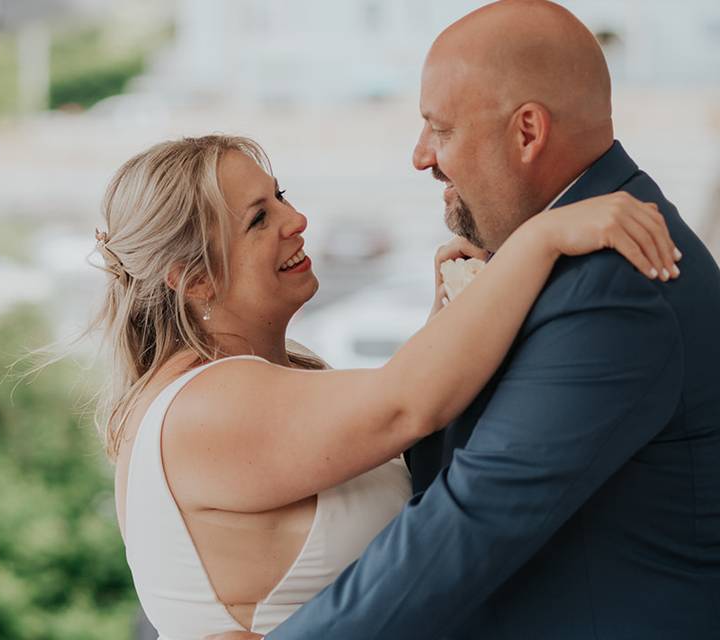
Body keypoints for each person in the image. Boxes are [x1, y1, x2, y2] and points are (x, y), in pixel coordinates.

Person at [208, 2, 720, 639]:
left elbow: (475, 516)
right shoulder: (557, 254)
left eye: (439, 128)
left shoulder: (615, 283)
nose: (421, 157)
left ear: (528, 133)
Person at [93, 128, 678, 640]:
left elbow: (391, 419)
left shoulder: (227, 392)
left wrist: (449, 318)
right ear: (193, 279)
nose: (296, 221)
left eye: (281, 197)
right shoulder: (207, 407)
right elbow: (406, 407)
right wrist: (545, 236)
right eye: (258, 219)